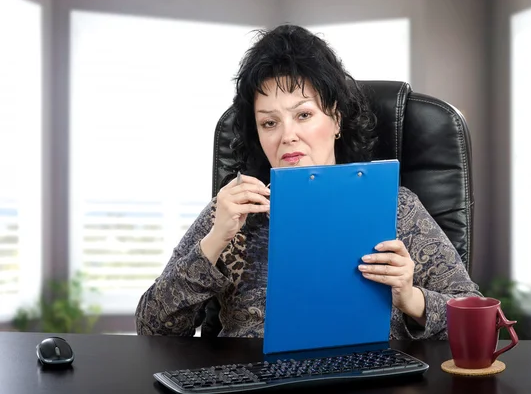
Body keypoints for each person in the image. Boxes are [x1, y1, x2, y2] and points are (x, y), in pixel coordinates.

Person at [135, 24, 482, 340]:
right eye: (269, 123)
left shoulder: (395, 206)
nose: (288, 136)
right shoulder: (233, 211)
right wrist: (214, 240)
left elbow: (481, 322)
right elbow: (152, 328)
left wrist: (411, 298)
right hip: (254, 378)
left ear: (335, 118)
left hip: (368, 379)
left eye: (303, 115)